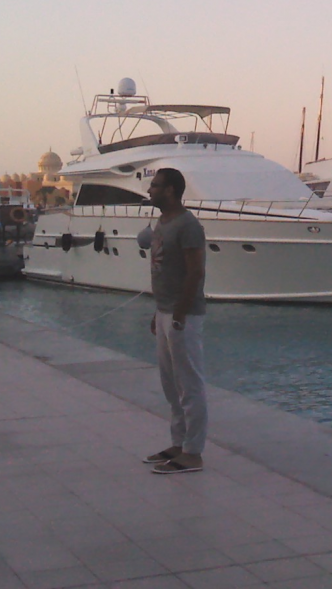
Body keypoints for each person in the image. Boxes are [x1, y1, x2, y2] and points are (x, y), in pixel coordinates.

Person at [139, 167, 207, 474]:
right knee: (171, 385)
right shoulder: (162, 222)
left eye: (154, 185)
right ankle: (178, 443)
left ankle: (193, 452)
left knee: (189, 384)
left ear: (170, 190)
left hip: (184, 315)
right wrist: (160, 312)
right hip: (166, 311)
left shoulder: (188, 225)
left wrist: (179, 313)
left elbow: (196, 271)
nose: (149, 190)